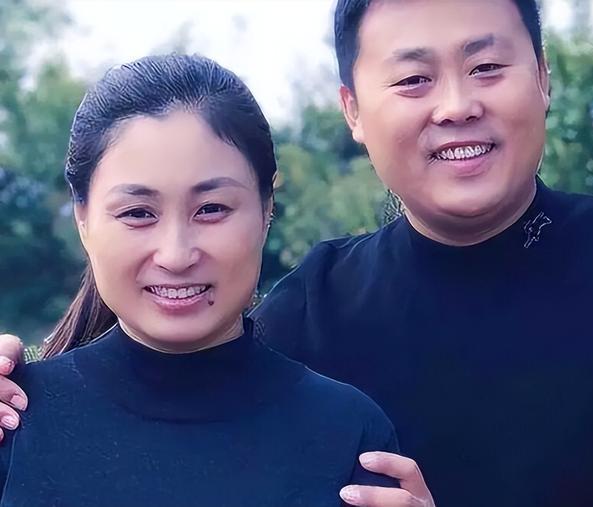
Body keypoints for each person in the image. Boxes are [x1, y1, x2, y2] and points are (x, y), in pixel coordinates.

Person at [0, 0, 593, 505]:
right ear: (352, 110)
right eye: (414, 79)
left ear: (543, 77)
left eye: (487, 67)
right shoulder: (309, 311)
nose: (456, 106)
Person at [0, 53, 403, 507]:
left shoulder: (347, 436)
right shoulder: (15, 422)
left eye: (211, 209)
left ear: (267, 210)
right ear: (83, 220)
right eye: (138, 213)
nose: (176, 255)